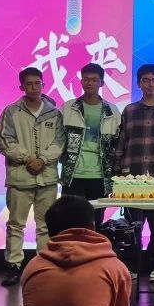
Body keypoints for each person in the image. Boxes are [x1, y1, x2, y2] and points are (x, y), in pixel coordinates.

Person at [0, 67, 64, 287]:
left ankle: (43, 266)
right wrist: (28, 158)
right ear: (21, 87)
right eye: (29, 84)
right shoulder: (11, 112)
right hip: (20, 177)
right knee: (16, 224)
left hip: (47, 177)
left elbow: (60, 142)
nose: (34, 87)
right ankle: (13, 266)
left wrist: (43, 159)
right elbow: (4, 140)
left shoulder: (55, 113)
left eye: (38, 83)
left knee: (45, 225)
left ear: (43, 85)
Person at [114, 64, 154, 282]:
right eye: (146, 80)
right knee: (133, 227)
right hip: (132, 178)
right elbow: (122, 142)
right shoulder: (129, 111)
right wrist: (118, 171)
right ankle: (132, 266)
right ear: (139, 83)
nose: (150, 84)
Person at [60, 62, 122, 231]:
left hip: (100, 176)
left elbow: (117, 143)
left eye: (94, 80)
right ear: (81, 82)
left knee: (96, 222)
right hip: (73, 175)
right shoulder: (68, 108)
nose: (90, 83)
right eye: (86, 79)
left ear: (102, 83)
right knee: (71, 221)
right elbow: (59, 138)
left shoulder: (112, 111)